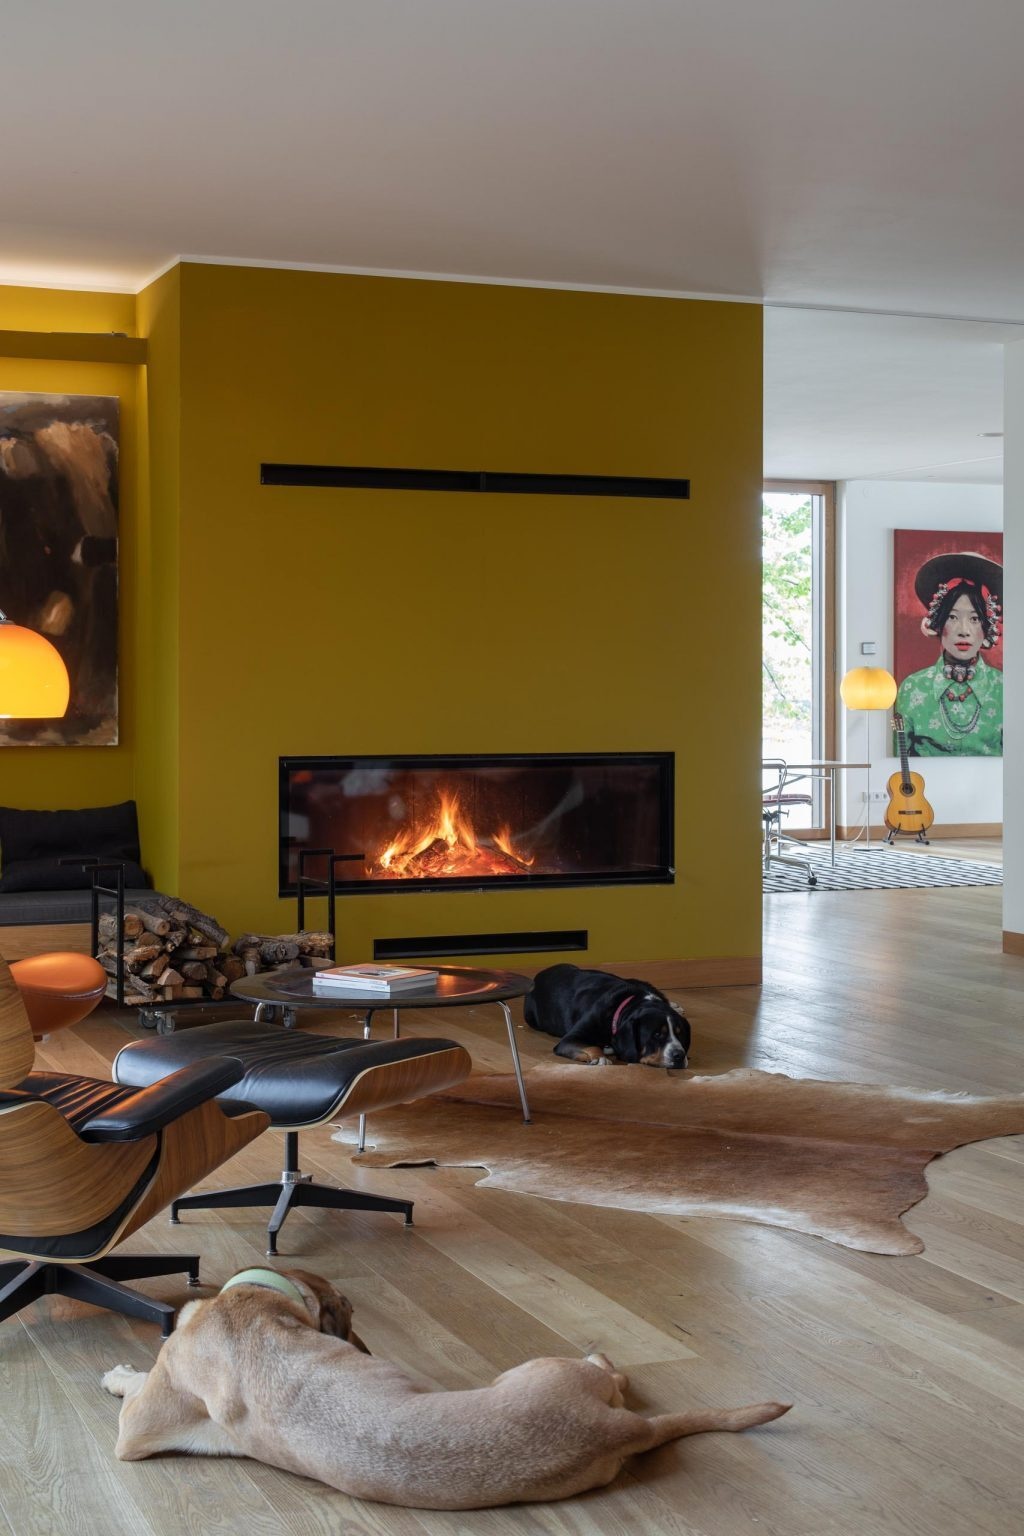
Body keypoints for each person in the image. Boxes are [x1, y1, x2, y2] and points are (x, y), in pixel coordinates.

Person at [894, 551, 1002, 756]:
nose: (964, 630)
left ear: (987, 628)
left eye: (974, 619)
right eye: (952, 617)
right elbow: (898, 761)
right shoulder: (912, 687)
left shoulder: (1004, 688)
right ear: (938, 622)